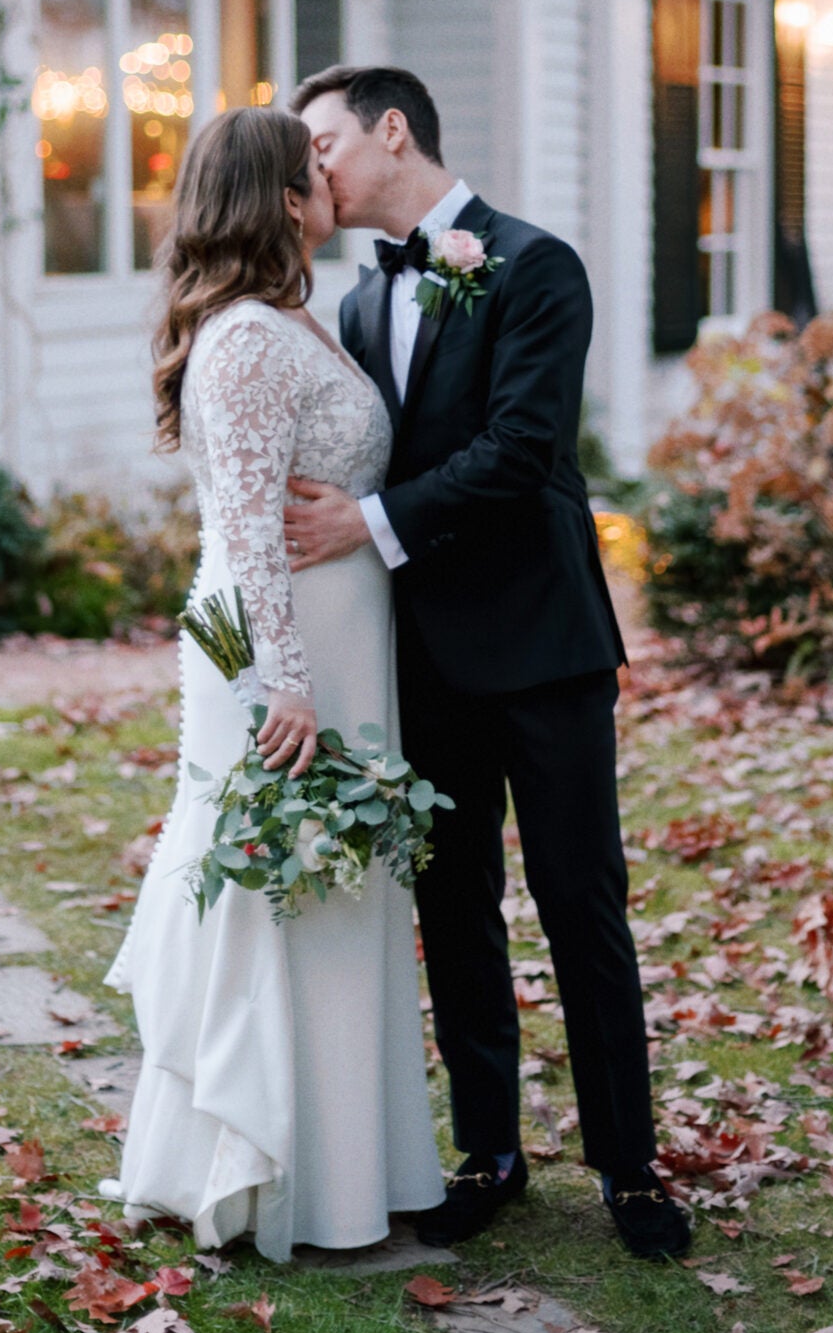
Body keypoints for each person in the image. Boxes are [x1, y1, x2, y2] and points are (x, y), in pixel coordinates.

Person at [282, 65, 690, 1262]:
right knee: (454, 910)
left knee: (581, 905)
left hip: (546, 645)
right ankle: (491, 1153)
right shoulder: (355, 307)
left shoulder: (536, 266)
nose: (312, 168)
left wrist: (367, 524)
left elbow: (520, 451)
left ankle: (629, 1168)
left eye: (323, 142)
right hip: (426, 659)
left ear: (391, 128)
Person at [106, 106, 444, 1259]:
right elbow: (248, 533)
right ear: (280, 197)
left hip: (342, 643)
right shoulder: (247, 337)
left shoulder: (298, 316)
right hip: (276, 651)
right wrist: (285, 687)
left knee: (340, 897)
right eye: (313, 165)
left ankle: (357, 1171)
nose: (333, 172)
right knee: (286, 895)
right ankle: (269, 1176)